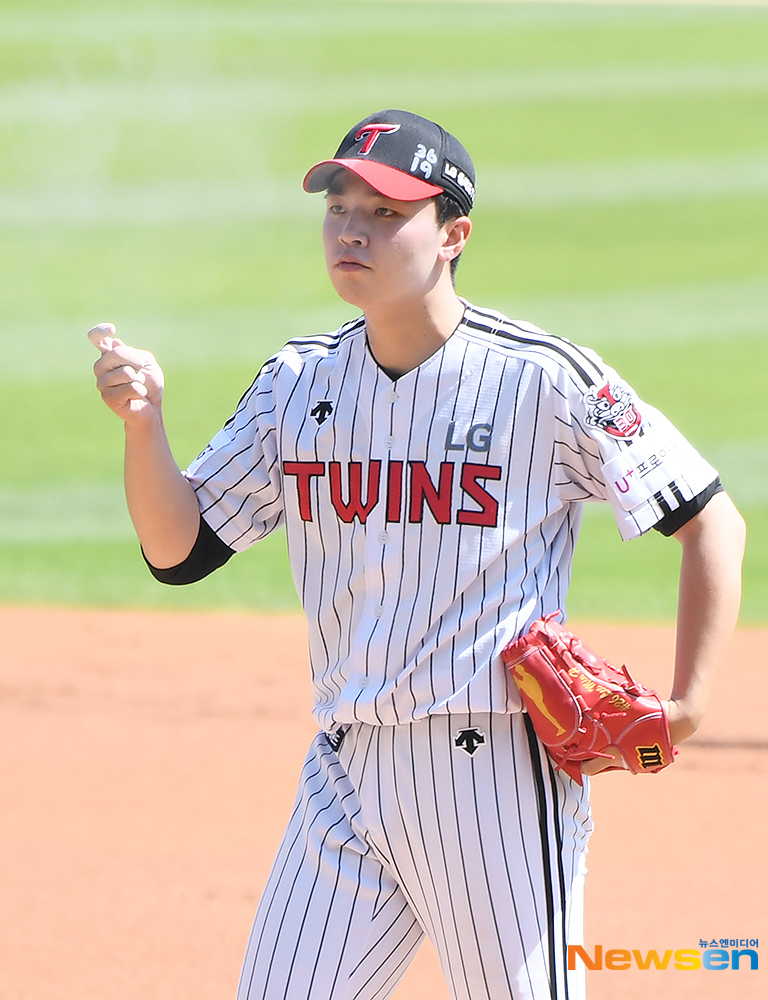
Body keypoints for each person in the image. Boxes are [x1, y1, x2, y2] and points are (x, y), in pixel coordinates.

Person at [89, 109, 746, 1000]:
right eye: (340, 206)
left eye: (388, 213)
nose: (352, 228)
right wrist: (144, 426)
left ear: (454, 236)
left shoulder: (541, 380)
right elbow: (179, 549)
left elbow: (709, 518)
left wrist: (691, 706)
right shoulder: (299, 383)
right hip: (344, 770)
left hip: (496, 777)